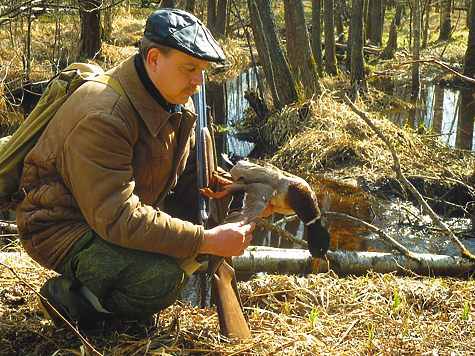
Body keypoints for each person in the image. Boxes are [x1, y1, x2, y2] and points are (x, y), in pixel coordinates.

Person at [16, 8, 255, 329]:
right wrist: (206, 240)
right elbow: (116, 216)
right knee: (159, 280)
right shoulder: (104, 116)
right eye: (190, 69)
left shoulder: (174, 98)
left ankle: (115, 292)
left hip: (117, 210)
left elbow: (186, 178)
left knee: (203, 218)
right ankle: (69, 298)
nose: (199, 82)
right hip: (62, 226)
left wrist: (235, 194)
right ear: (153, 59)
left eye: (203, 71)